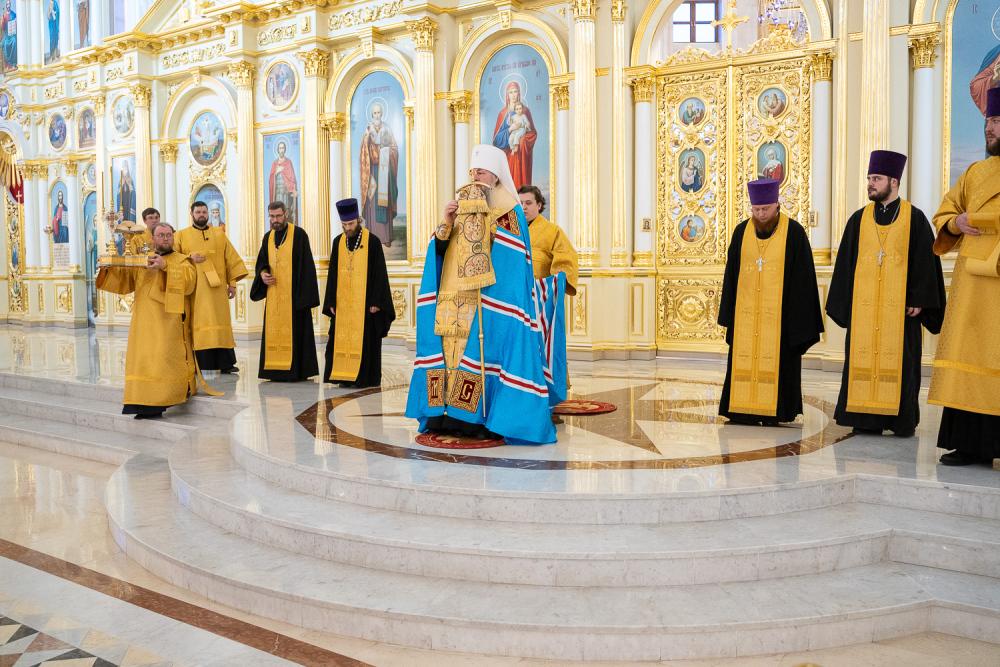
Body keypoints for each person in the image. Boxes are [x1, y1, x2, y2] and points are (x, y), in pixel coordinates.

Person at [406, 145, 567, 445]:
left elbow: (513, 259)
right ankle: (444, 415)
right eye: (473, 171)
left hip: (486, 301)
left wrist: (489, 232)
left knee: (481, 355)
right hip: (451, 296)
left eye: (481, 171)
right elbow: (439, 249)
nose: (475, 175)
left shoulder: (508, 210)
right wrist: (446, 222)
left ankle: (476, 419)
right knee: (450, 354)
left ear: (495, 175)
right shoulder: (460, 204)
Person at [826, 150, 946, 437]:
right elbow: (845, 265)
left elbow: (926, 261)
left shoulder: (914, 218)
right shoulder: (858, 220)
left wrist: (919, 299)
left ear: (894, 181)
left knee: (903, 363)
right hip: (864, 313)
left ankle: (900, 420)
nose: (870, 183)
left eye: (876, 178)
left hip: (900, 314)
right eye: (869, 178)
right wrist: (847, 305)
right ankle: (862, 417)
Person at [928, 87, 1000, 466]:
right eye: (988, 120)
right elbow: (946, 212)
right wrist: (956, 222)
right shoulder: (975, 172)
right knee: (968, 355)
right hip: (972, 285)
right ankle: (969, 444)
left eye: (997, 121)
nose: (990, 127)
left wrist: (986, 220)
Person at [718, 178, 823, 425]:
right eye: (756, 210)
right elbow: (731, 276)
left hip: (781, 323)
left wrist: (797, 324)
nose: (761, 215)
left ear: (777, 205)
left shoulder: (794, 233)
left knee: (780, 365)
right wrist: (729, 316)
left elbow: (804, 281)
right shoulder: (741, 232)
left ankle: (778, 411)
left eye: (765, 209)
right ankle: (741, 410)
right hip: (746, 320)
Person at [96, 222, 199, 419]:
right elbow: (125, 282)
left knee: (162, 361)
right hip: (142, 323)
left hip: (167, 323)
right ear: (152, 238)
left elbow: (189, 283)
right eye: (161, 235)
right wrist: (108, 268)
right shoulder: (142, 259)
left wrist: (165, 266)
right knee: (142, 362)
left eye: (169, 235)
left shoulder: (182, 260)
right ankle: (140, 402)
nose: (165, 238)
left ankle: (160, 401)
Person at [323, 198, 394, 388]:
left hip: (365, 304)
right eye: (345, 224)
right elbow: (332, 274)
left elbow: (380, 274)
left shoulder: (372, 241)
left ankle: (364, 378)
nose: (348, 228)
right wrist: (331, 301)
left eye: (351, 224)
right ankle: (343, 376)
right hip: (343, 305)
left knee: (366, 340)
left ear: (358, 220)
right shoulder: (338, 242)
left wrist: (377, 301)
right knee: (339, 340)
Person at [174, 200, 247, 374]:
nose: (201, 215)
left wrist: (232, 284)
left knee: (221, 323)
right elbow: (173, 258)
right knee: (200, 322)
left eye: (204, 212)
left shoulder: (219, 234)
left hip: (218, 290)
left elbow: (231, 259)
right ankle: (201, 363)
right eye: (198, 212)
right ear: (191, 214)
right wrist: (189, 257)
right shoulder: (181, 235)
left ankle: (225, 363)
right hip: (196, 290)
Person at [249, 201, 319, 382]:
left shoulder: (299, 235)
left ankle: (297, 372)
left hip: (294, 298)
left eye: (278, 216)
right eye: (272, 217)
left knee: (297, 334)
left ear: (285, 214)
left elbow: (307, 267)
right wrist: (263, 274)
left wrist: (303, 299)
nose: (275, 220)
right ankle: (273, 371)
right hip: (274, 297)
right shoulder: (268, 237)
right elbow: (262, 262)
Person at [517, 186, 578, 296]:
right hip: (514, 292)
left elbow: (566, 259)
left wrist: (557, 281)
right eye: (520, 203)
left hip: (541, 295)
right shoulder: (510, 230)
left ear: (539, 205)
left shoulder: (553, 231)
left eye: (528, 203)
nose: (523, 207)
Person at [359, 103, 399, 247]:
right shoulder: (368, 129)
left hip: (384, 171)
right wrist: (368, 140)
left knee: (384, 201)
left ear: (382, 114)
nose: (377, 115)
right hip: (372, 172)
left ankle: (385, 237)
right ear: (372, 115)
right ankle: (373, 238)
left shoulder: (387, 129)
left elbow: (394, 149)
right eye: (375, 113)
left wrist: (385, 151)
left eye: (379, 113)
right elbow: (363, 150)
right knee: (372, 201)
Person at [492, 82, 536, 189]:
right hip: (508, 156)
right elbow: (496, 141)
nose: (513, 95)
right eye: (510, 92)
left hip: (521, 156)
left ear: (519, 93)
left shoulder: (525, 111)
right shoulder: (502, 114)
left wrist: (522, 140)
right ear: (507, 95)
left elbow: (532, 133)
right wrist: (510, 129)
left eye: (515, 91)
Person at [268, 141, 298, 224]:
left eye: (283, 148)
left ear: (285, 149)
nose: (281, 150)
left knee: (286, 212)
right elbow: (271, 179)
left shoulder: (288, 162)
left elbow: (292, 179)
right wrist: (276, 172)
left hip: (286, 194)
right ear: (278, 150)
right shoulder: (274, 164)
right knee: (277, 213)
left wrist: (293, 189)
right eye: (280, 148)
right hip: (277, 194)